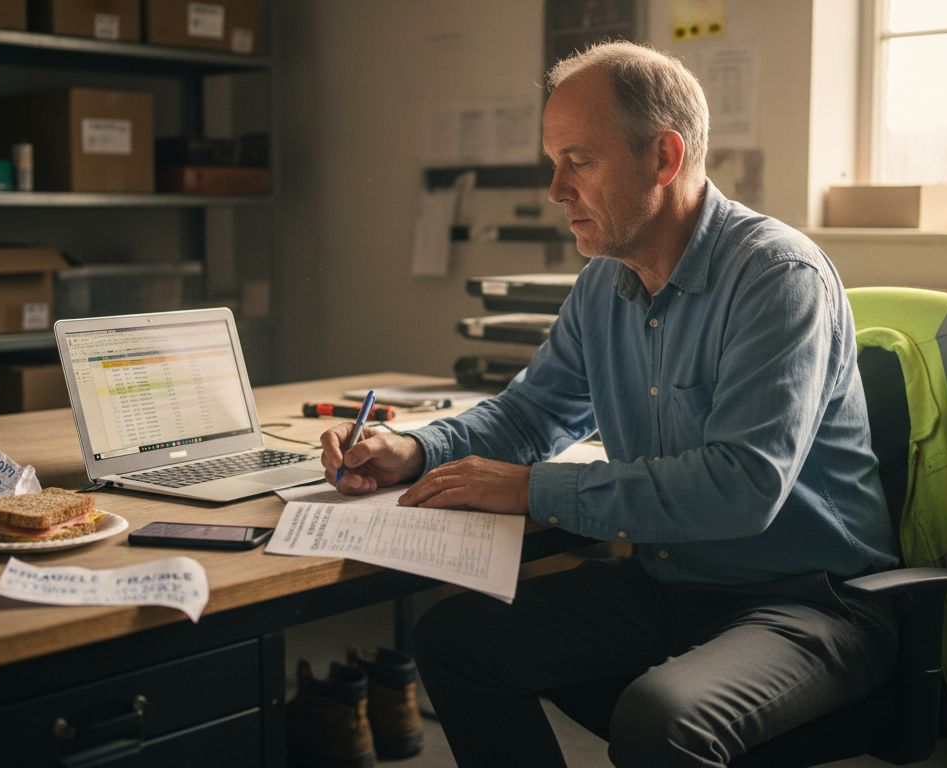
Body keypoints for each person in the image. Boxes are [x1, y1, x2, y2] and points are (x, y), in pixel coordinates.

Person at [320, 41, 900, 768]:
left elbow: (742, 487)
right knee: (455, 639)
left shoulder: (777, 277)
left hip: (810, 603)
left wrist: (532, 488)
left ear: (663, 157)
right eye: (552, 162)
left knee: (663, 718)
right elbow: (532, 414)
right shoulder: (604, 284)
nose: (556, 190)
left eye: (578, 161)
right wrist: (415, 449)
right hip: (671, 585)